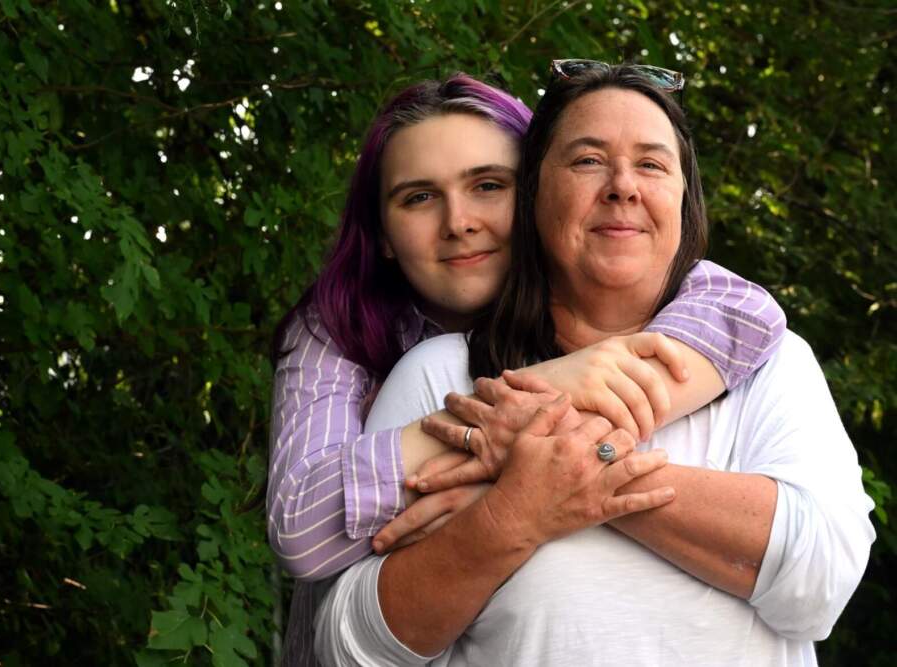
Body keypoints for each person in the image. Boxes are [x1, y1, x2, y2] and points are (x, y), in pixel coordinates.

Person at [313, 61, 874, 665]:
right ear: (534, 194)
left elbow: (821, 585)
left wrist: (562, 460)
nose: (623, 186)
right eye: (587, 160)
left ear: (685, 199)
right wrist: (511, 516)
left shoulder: (770, 365)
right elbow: (346, 648)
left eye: (653, 164)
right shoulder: (440, 377)